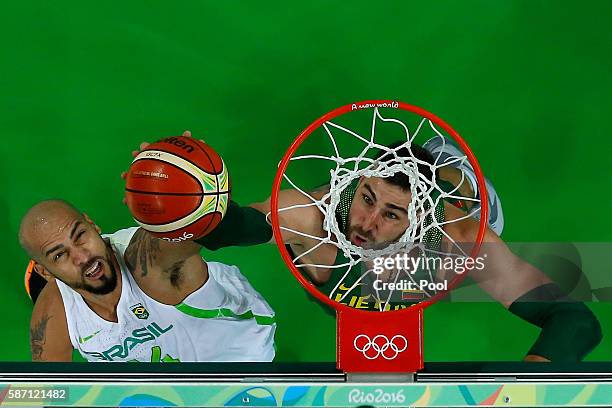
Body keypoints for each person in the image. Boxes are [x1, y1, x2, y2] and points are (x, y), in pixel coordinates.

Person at [249, 137, 602, 363]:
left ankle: (456, 178)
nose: (367, 225)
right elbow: (226, 224)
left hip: (439, 235)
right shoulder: (310, 218)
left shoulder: (457, 241)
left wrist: (527, 387)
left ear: (419, 217)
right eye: (367, 200)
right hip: (347, 285)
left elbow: (575, 321)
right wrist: (196, 183)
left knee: (476, 224)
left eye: (390, 214)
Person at [19, 198, 276, 362]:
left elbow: (216, 228)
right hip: (169, 395)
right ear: (45, 272)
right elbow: (46, 394)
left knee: (300, 218)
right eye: (60, 255)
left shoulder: (147, 260)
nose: (82, 257)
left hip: (238, 360)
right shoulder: (55, 312)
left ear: (92, 224)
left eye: (80, 235)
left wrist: (200, 196)